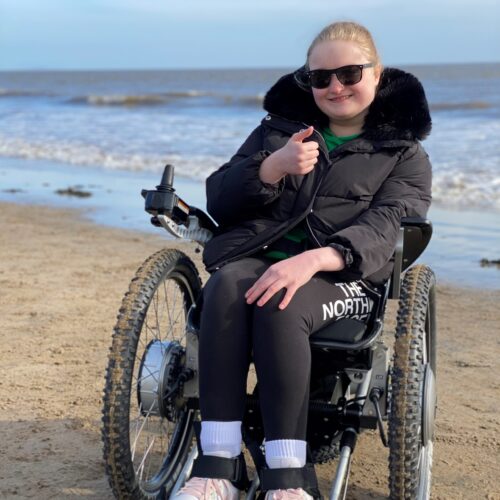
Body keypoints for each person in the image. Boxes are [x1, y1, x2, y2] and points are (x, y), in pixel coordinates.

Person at [174, 20, 432, 500]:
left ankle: (288, 477)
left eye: (350, 73)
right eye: (321, 78)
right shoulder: (277, 132)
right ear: (307, 81)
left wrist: (316, 259)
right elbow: (221, 198)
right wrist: (270, 168)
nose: (336, 87)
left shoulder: (404, 154)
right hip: (258, 258)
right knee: (226, 287)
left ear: (377, 75)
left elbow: (391, 223)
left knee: (282, 302)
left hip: (344, 276)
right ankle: (217, 467)